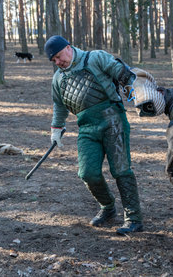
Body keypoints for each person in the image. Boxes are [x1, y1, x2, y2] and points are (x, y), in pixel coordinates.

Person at [44, 35, 143, 235]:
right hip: (87, 127)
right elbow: (59, 105)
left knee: (121, 170)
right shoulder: (58, 78)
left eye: (58, 56)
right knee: (87, 173)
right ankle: (108, 207)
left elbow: (122, 72)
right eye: (53, 60)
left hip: (113, 120)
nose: (57, 62)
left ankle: (133, 218)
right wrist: (56, 128)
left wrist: (134, 89)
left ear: (69, 48)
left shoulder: (95, 58)